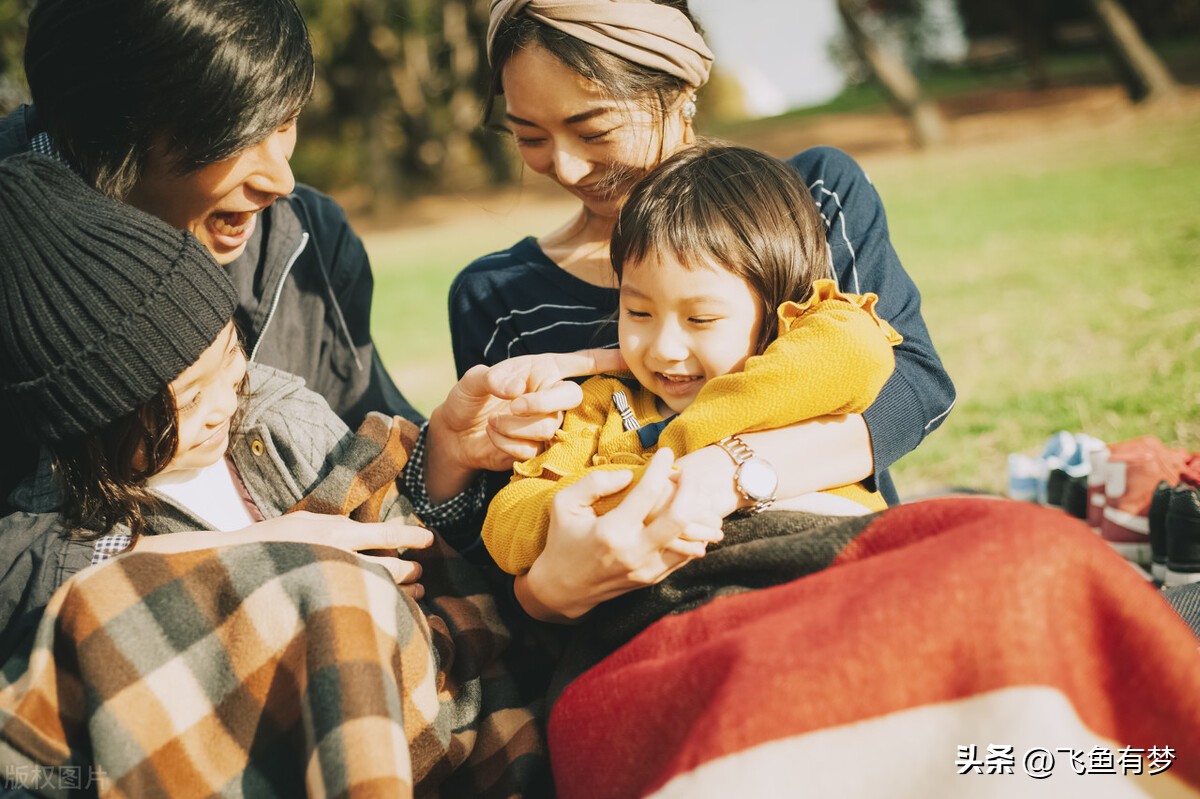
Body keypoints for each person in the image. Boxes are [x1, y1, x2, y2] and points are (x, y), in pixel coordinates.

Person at [0, 154, 564, 795]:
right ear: (89, 429)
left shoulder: (277, 419)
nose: (221, 404)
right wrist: (275, 562)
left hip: (413, 708)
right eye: (185, 402)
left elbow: (413, 541)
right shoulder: (67, 532)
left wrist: (443, 471)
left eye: (229, 359)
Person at [0, 0, 605, 555]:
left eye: (285, 123)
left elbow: (371, 487)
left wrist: (445, 452)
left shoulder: (307, 237)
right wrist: (225, 555)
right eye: (236, 136)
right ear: (103, 133)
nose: (280, 181)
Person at [449, 0, 955, 619]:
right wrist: (550, 587)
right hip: (642, 621)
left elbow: (914, 387)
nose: (566, 165)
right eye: (529, 136)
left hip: (835, 574)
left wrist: (721, 471)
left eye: (594, 131)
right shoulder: (496, 295)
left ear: (683, 91)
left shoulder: (808, 200)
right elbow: (501, 539)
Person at [482, 142, 903, 575]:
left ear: (777, 307)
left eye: (700, 319)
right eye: (638, 313)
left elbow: (860, 349)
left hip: (829, 565)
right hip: (687, 597)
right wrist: (650, 490)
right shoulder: (599, 406)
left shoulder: (799, 362)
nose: (664, 347)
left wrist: (681, 452)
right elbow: (506, 523)